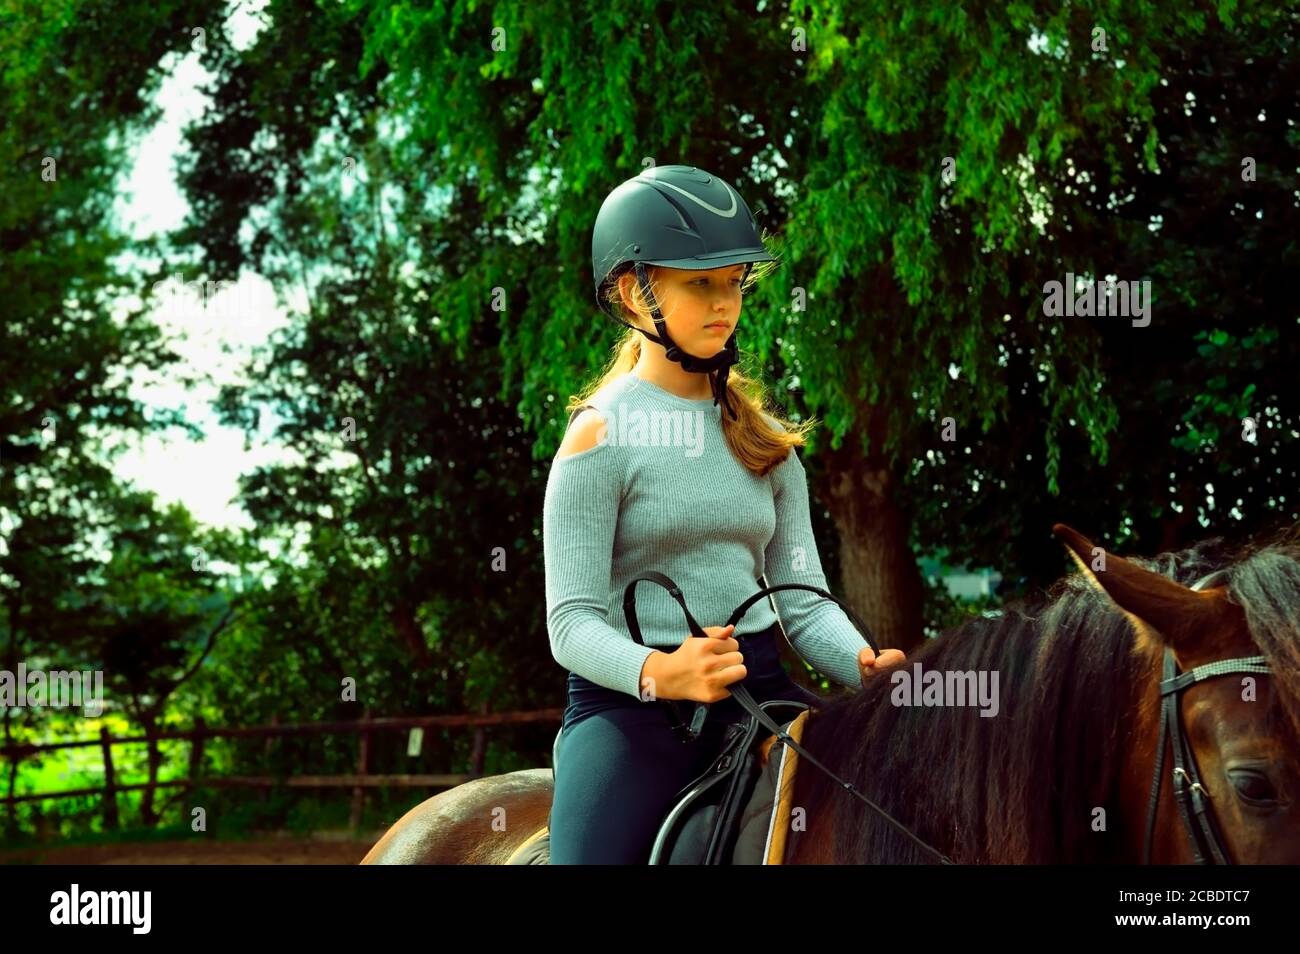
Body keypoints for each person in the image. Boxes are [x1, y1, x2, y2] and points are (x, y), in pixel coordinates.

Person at [543, 164, 905, 864]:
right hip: (631, 712)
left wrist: (863, 664)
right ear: (632, 291)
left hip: (763, 693)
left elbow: (803, 605)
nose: (725, 303)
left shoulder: (766, 442)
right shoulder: (598, 434)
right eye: (699, 283)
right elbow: (572, 623)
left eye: (734, 282)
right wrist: (661, 672)